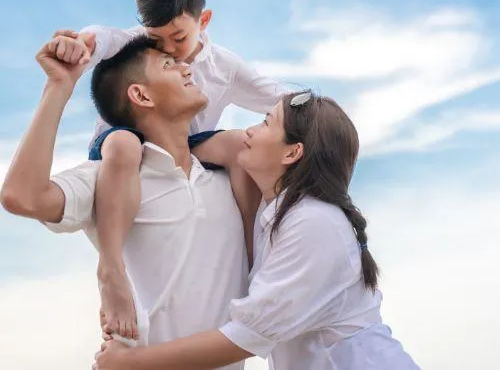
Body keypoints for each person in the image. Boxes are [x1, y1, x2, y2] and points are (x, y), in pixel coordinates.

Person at [49, 0, 288, 340]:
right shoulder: (141, 43)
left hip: (187, 146)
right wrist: (79, 43)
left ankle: (251, 260)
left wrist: (315, 109)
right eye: (157, 40)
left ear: (203, 20)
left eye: (178, 38)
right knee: (126, 144)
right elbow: (103, 37)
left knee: (237, 146)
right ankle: (110, 268)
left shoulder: (224, 66)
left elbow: (273, 95)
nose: (169, 51)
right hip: (123, 141)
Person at [92, 91, 421, 370]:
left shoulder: (314, 223)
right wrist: (131, 145)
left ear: (292, 152)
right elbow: (201, 147)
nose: (249, 130)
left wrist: (131, 362)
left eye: (266, 122)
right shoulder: (277, 211)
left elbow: (246, 336)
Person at [1, 33, 258, 370]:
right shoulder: (110, 179)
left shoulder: (228, 178)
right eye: (169, 65)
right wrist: (59, 86)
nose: (186, 69)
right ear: (140, 94)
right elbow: (21, 196)